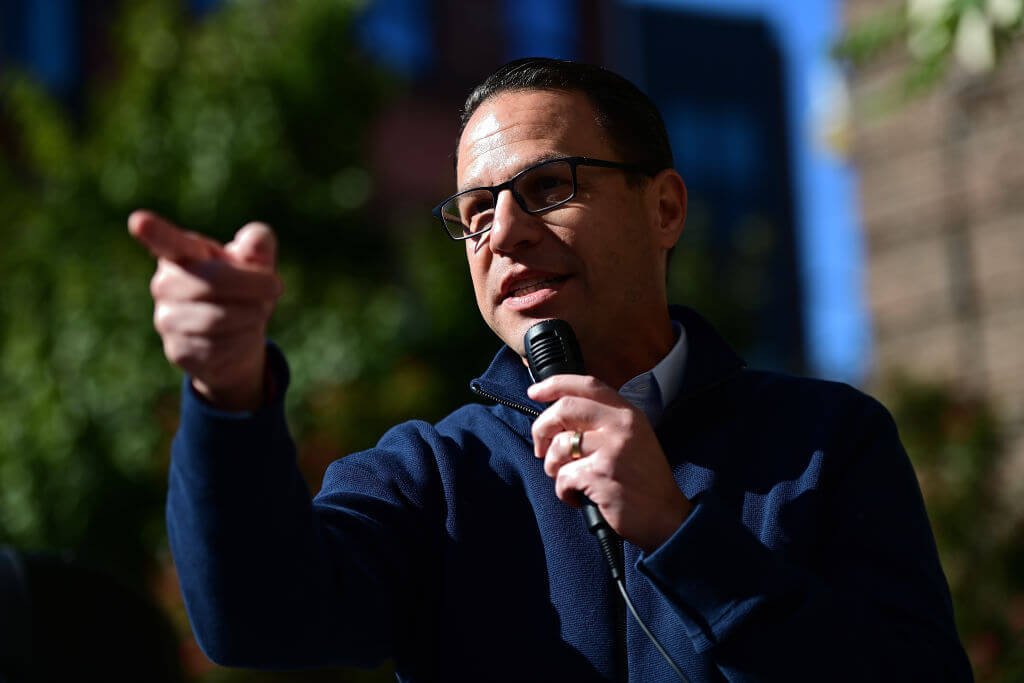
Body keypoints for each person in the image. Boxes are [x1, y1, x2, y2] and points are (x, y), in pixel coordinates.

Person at [129, 58, 972, 681]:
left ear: (666, 207)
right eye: (472, 212)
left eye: (547, 186)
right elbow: (261, 622)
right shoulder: (434, 473)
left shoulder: (826, 442)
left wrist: (682, 532)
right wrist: (228, 394)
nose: (503, 231)